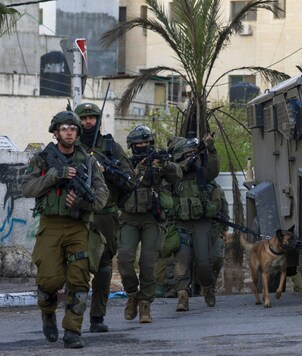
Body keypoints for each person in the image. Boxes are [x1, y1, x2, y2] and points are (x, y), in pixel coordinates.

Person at [20, 111, 109, 348]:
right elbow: (27, 188)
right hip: (51, 225)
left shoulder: (88, 162)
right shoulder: (43, 159)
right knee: (50, 280)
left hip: (79, 226)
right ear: (56, 132)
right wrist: (54, 176)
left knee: (79, 280)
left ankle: (73, 331)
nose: (69, 132)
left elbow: (101, 196)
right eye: (64, 128)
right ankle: (48, 312)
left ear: (78, 132)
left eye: (73, 128)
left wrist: (82, 202)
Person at [75, 102, 135, 332]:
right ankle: (74, 317)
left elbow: (129, 179)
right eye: (84, 118)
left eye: (92, 118)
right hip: (79, 214)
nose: (88, 122)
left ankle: (97, 317)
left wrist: (107, 171)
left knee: (103, 268)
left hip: (106, 215)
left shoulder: (112, 148)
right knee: (77, 267)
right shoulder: (71, 146)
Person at [118, 125, 182, 323]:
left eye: (146, 143)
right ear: (132, 146)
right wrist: (139, 169)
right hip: (129, 217)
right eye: (138, 144)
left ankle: (145, 304)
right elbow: (118, 183)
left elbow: (176, 175)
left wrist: (164, 165)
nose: (142, 146)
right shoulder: (125, 164)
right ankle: (132, 295)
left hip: (152, 218)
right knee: (124, 260)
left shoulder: (158, 163)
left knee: (148, 263)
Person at [168, 134, 220, 311]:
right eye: (187, 155)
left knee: (204, 263)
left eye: (193, 154)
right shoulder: (174, 176)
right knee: (182, 262)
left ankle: (207, 287)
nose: (191, 158)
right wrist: (180, 167)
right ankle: (182, 295)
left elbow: (213, 169)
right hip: (181, 224)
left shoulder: (201, 173)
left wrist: (211, 148)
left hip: (201, 223)